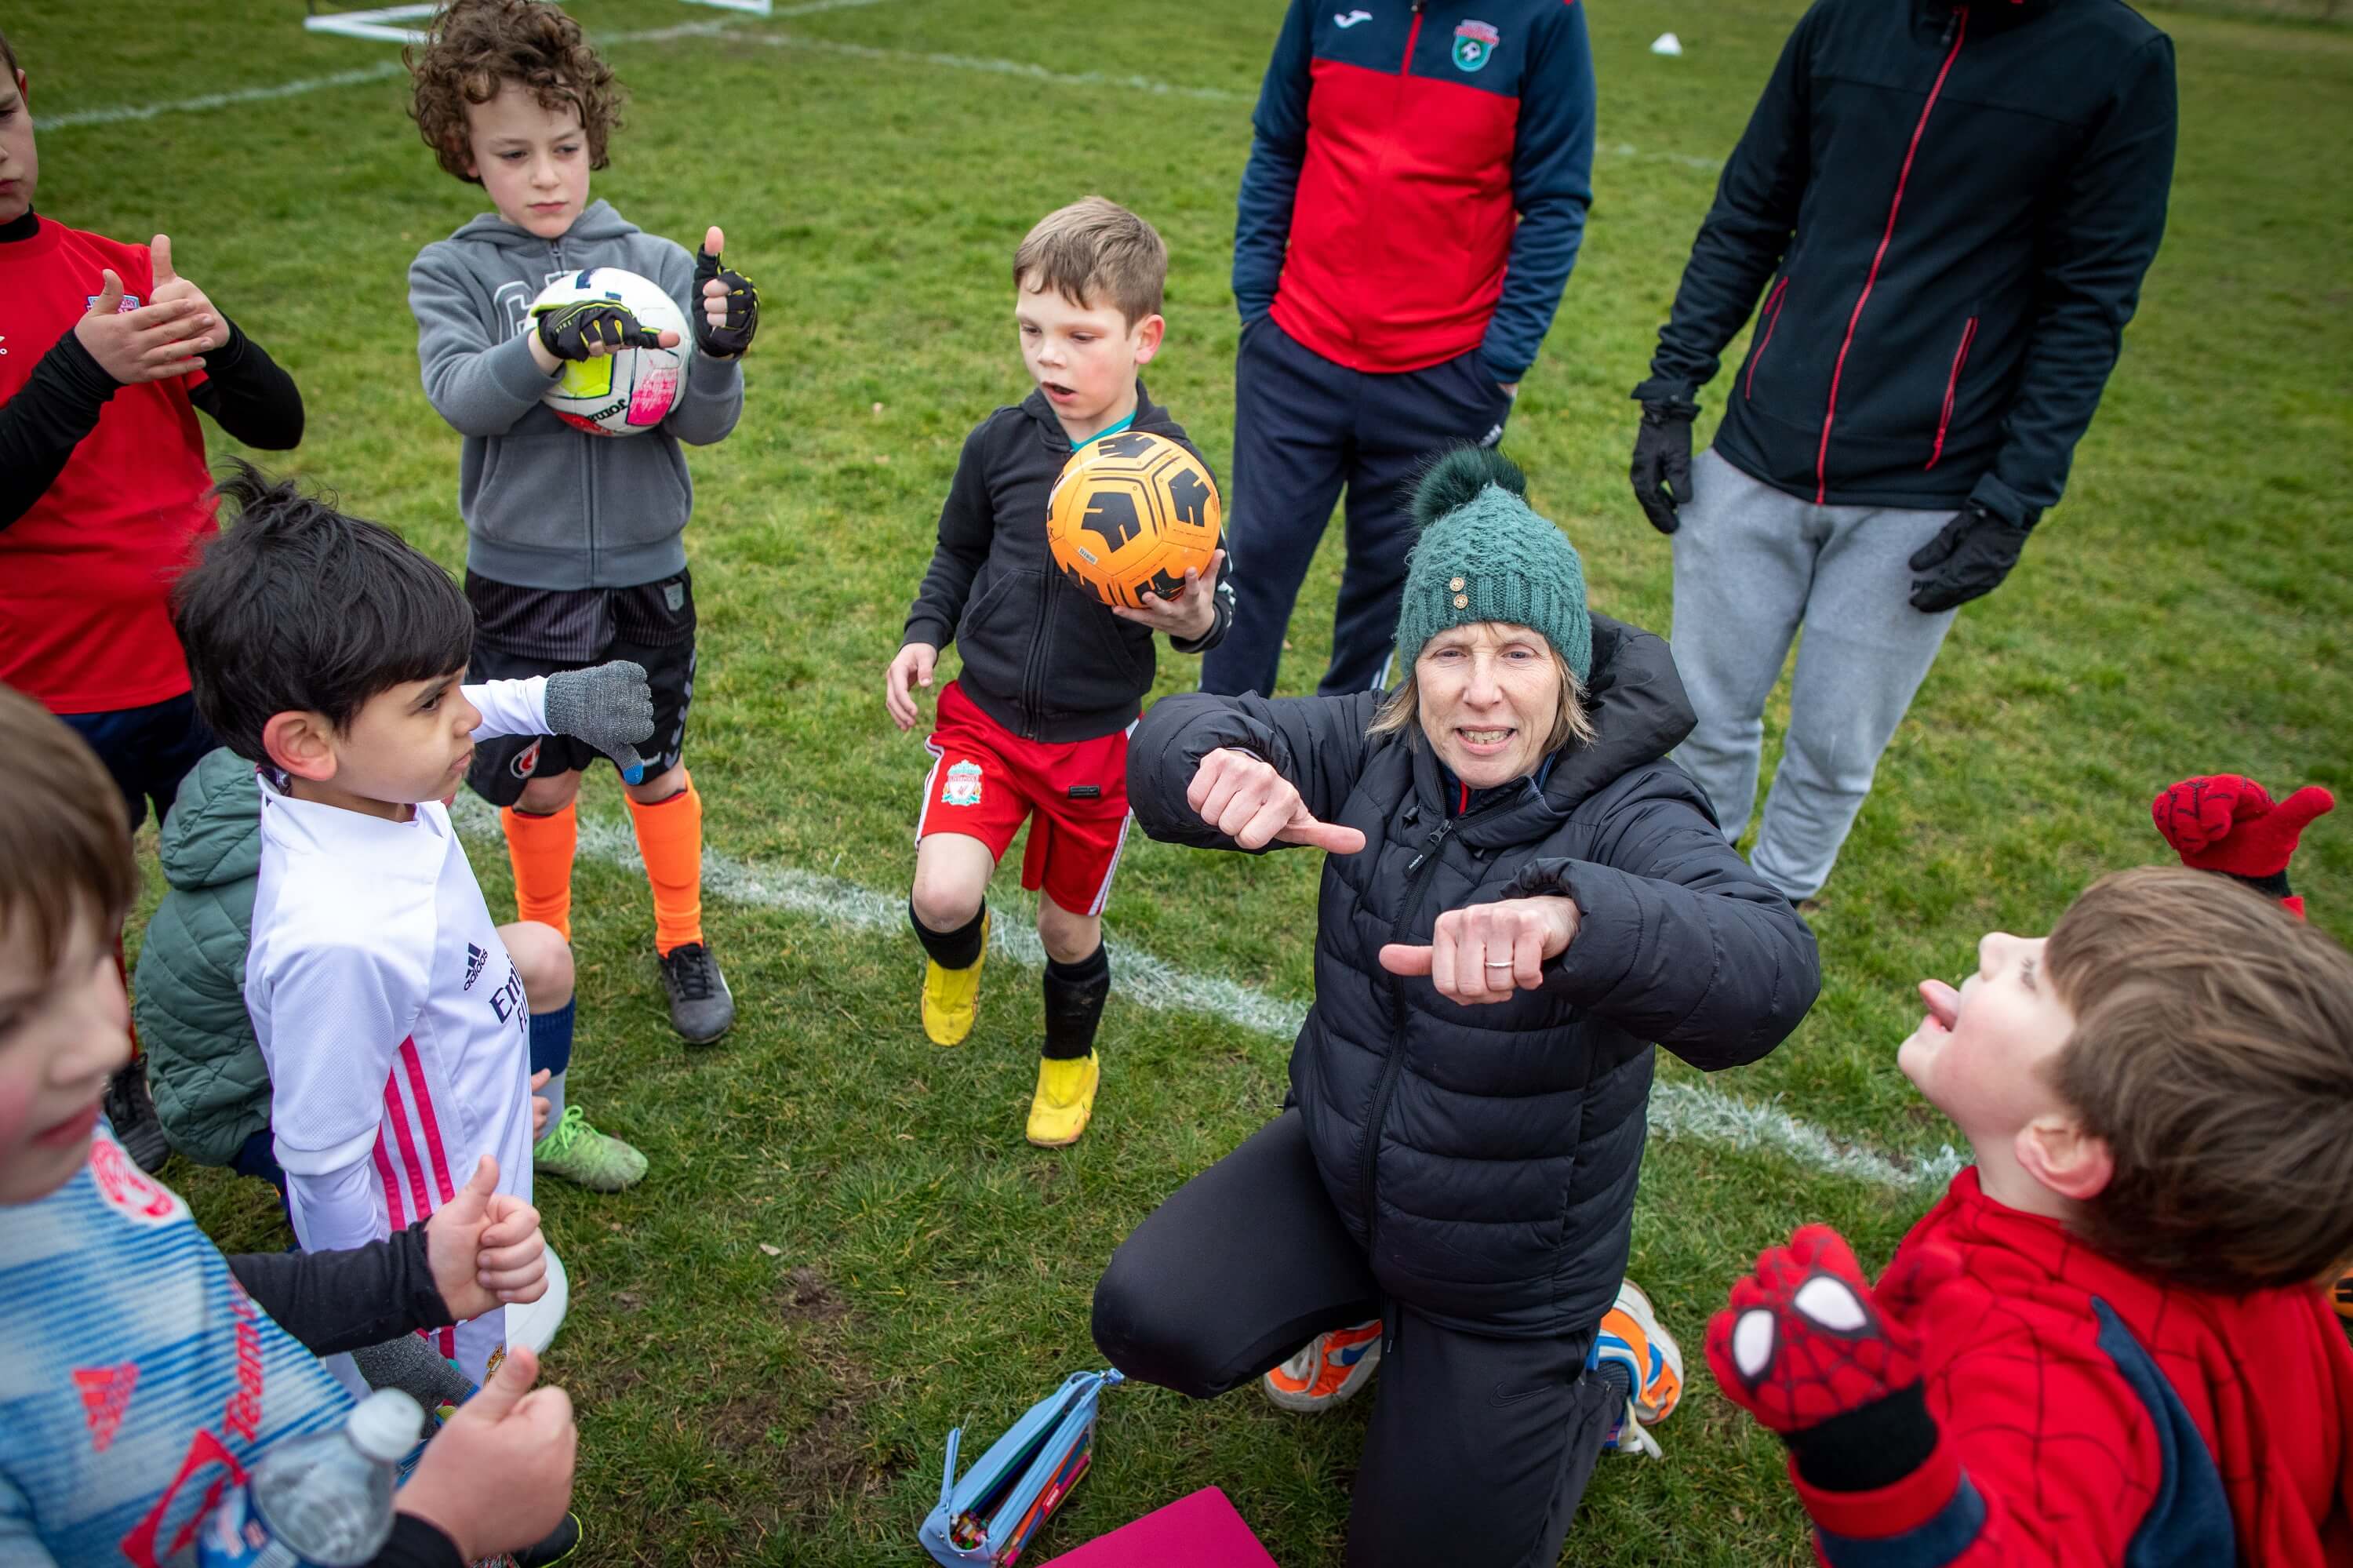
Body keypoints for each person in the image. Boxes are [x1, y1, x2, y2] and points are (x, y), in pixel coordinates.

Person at [1092, 449, 1819, 1566]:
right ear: (1410, 667)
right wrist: (1209, 768)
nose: (1483, 688)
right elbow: (1168, 738)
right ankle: (1367, 1317)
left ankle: (1600, 1366)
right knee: (1147, 1317)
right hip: (1344, 1174)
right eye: (1451, 651)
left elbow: (1773, 966)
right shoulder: (1376, 745)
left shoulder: (1633, 805)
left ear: (1566, 666)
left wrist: (1582, 921)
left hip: (1511, 1272)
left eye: (1519, 652)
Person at [0, 681, 578, 1568]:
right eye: (11, 1020)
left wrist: (402, 1281)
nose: (98, 1045)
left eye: (90, 962)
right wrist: (442, 1530)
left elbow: (183, 1288)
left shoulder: (63, 1164)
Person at [1627, 0, 2177, 905]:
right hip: (1758, 447)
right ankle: (1693, 887)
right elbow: (1749, 212)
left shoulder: (2118, 59)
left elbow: (2089, 304)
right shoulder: (1844, 22)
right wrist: (1671, 389)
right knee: (1702, 714)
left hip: (1926, 487)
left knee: (1837, 746)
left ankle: (1777, 907)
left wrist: (2013, 500)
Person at [1707, 867, 2353, 1564]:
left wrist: (1866, 1444)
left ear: (2065, 1143)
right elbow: (2267, 1085)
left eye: (2031, 977)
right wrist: (2250, 895)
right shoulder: (2219, 1215)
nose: (1994, 941)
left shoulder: (2038, 1362)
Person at [171, 464, 656, 1383]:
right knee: (450, 1431)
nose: (468, 714)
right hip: (433, 1255)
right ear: (306, 741)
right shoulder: (339, 940)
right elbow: (323, 1175)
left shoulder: (373, 781)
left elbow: (450, 713)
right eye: (433, 702)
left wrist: (552, 702)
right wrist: (384, 1324)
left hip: (476, 1152)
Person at [406, 0, 758, 1052]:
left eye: (565, 147)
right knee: (544, 772)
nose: (547, 175)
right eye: (514, 153)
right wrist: (546, 344)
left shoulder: (649, 261)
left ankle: (684, 939)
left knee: (652, 762)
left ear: (592, 138)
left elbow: (705, 423)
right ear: (466, 154)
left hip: (648, 573)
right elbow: (464, 394)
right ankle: (539, 945)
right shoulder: (454, 270)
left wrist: (720, 350)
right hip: (521, 581)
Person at [0, 26, 305, 1169]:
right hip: (45, 692)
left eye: (1, 116)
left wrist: (219, 343)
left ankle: (258, 1051)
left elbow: (276, 423)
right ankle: (122, 1071)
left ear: (26, 97)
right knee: (77, 912)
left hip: (200, 669)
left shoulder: (116, 266)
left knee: (245, 878)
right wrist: (83, 369)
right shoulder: (89, 325)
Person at [885, 196, 1235, 1149]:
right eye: (1033, 330)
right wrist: (926, 630)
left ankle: (1067, 1059)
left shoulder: (1172, 470)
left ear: (1144, 338)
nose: (1050, 356)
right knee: (942, 895)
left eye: (1081, 335)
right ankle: (956, 956)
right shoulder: (1001, 442)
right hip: (984, 722)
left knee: (1067, 932)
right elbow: (957, 551)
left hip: (1094, 744)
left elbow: (1211, 612)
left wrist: (1195, 617)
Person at [1202, 0, 1595, 700]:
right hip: (1295, 350)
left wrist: (1499, 364)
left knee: (1395, 592)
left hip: (1442, 376)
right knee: (1254, 563)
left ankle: (1352, 772)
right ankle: (1216, 763)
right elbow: (1277, 145)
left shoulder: (1546, 16)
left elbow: (1557, 200)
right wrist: (1257, 301)